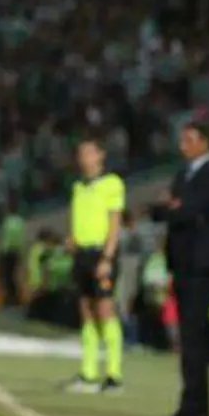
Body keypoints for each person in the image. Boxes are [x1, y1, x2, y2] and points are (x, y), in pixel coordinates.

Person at [151, 122, 209, 416]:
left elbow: (190, 210)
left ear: (205, 143)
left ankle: (194, 407)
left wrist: (175, 207)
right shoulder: (183, 175)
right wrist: (174, 207)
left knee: (193, 335)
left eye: (189, 140)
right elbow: (161, 211)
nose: (183, 145)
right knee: (189, 335)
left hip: (201, 265)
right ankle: (197, 405)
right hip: (183, 263)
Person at [64, 136, 127, 394]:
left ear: (101, 155)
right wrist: (72, 238)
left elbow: (114, 223)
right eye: (81, 153)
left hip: (101, 253)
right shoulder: (78, 186)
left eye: (89, 152)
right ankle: (89, 372)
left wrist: (107, 258)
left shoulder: (112, 183)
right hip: (81, 254)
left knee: (105, 310)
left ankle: (114, 374)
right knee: (86, 311)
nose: (84, 158)